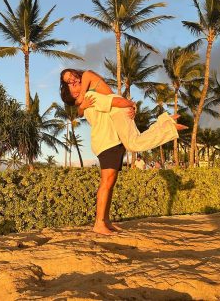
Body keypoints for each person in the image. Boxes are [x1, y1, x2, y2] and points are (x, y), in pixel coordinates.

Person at [59, 71, 187, 236]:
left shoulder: (88, 97)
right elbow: (114, 100)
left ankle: (105, 221)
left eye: (75, 82)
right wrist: (129, 104)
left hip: (112, 140)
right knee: (107, 182)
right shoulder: (90, 96)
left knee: (110, 184)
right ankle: (99, 223)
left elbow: (95, 95)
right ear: (70, 95)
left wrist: (129, 107)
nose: (75, 85)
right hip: (107, 142)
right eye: (70, 86)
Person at [60, 69, 183, 153]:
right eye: (68, 81)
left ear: (74, 71)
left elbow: (80, 100)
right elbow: (80, 111)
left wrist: (78, 102)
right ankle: (166, 123)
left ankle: (167, 125)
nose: (72, 80)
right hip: (117, 107)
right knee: (134, 142)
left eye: (70, 76)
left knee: (133, 144)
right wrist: (80, 106)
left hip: (117, 106)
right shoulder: (86, 88)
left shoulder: (87, 75)